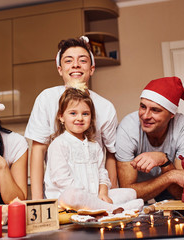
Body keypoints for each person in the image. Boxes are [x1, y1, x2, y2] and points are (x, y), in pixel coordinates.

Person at [25, 36, 118, 200]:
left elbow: (111, 154)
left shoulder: (106, 107)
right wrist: (38, 202)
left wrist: (109, 196)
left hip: (96, 191)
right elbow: (38, 150)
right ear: (60, 69)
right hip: (63, 194)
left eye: (83, 60)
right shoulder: (46, 99)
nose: (76, 65)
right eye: (68, 61)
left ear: (92, 68)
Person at [44, 87, 143, 211]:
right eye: (73, 113)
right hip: (68, 200)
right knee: (73, 196)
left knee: (130, 193)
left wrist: (103, 193)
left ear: (91, 117)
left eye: (85, 114)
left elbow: (102, 173)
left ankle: (102, 206)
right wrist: (86, 195)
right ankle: (114, 209)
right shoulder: (59, 144)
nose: (80, 118)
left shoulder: (94, 146)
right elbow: (61, 180)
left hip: (94, 195)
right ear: (61, 117)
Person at [115, 76, 184, 202]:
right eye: (143, 106)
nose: (145, 116)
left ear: (172, 114)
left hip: (171, 193)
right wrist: (171, 176)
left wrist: (164, 161)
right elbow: (128, 193)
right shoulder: (127, 128)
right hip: (140, 192)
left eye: (155, 110)